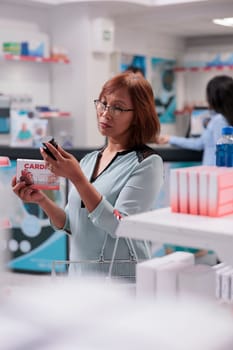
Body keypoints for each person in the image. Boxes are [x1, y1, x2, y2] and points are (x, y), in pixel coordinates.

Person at [12, 72, 164, 277]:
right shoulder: (89, 160)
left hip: (120, 281)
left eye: (117, 107)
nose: (105, 113)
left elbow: (121, 226)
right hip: (81, 278)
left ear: (138, 116)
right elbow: (71, 224)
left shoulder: (147, 163)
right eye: (102, 103)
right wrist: (41, 201)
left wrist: (77, 178)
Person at [158, 75, 233, 165]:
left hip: (214, 173)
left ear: (214, 97)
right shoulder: (222, 118)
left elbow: (223, 154)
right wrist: (171, 139)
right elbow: (199, 143)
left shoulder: (219, 120)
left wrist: (171, 139)